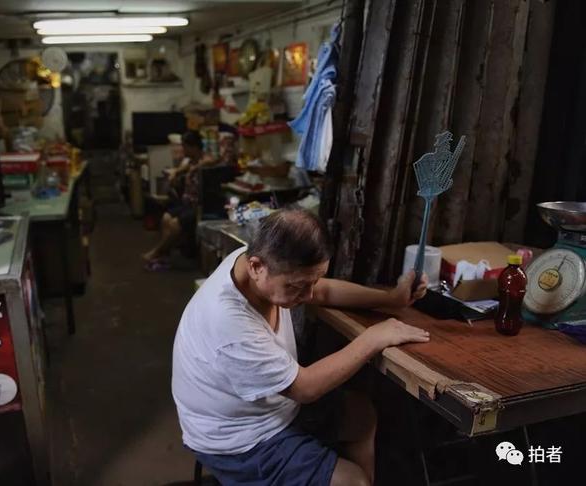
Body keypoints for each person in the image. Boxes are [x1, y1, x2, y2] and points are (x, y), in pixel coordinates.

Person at [172, 208, 429, 486]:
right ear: (257, 267)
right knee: (352, 482)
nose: (307, 295)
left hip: (270, 410)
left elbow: (321, 291)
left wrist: (390, 299)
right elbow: (304, 388)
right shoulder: (230, 322)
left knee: (361, 415)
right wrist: (373, 338)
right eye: (297, 286)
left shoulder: (255, 263)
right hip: (238, 441)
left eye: (312, 281)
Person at [142, 130, 215, 269]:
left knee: (174, 224)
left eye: (185, 146)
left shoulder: (205, 160)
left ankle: (157, 252)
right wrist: (176, 173)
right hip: (185, 203)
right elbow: (181, 169)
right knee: (165, 217)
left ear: (194, 147)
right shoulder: (187, 161)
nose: (183, 149)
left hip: (197, 206)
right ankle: (165, 256)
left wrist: (195, 167)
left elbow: (211, 161)